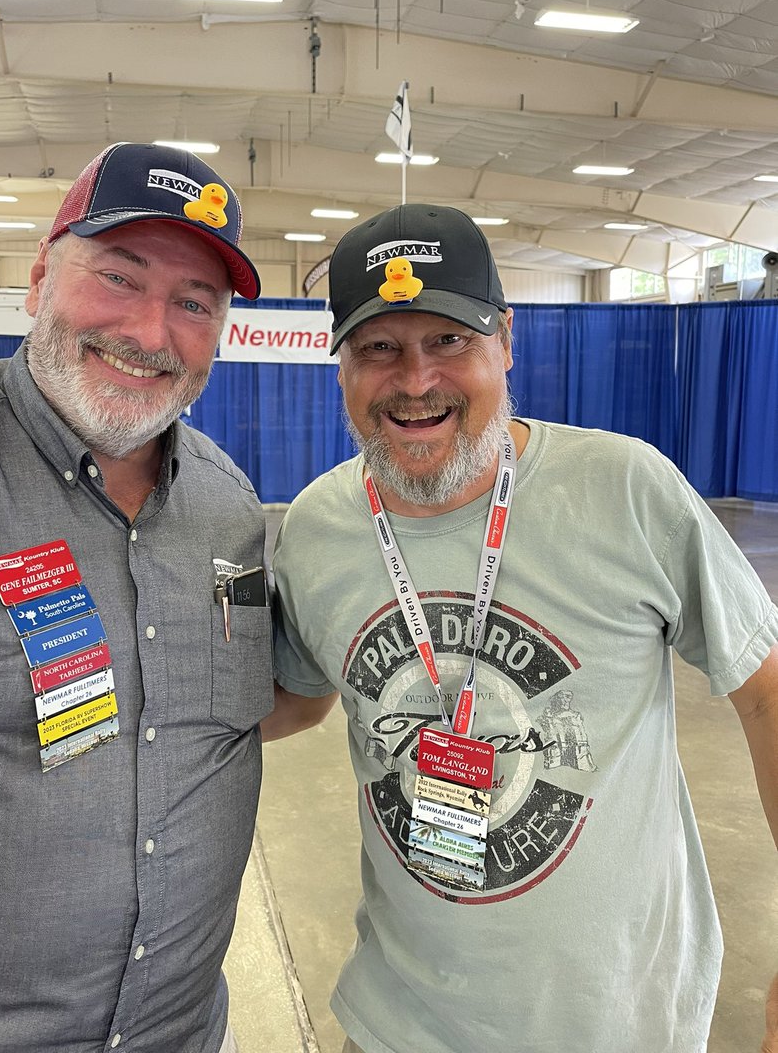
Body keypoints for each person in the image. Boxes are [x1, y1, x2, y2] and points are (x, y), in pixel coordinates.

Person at [267, 203, 778, 1053]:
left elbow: (767, 694)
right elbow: (298, 698)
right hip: (397, 1025)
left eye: (449, 340)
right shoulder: (317, 528)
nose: (416, 380)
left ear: (505, 340)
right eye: (379, 347)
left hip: (621, 1025)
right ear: (342, 364)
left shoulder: (625, 490)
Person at [0, 143, 275, 1053]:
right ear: (39, 280)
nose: (150, 332)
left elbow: (239, 712)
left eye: (194, 303)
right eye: (118, 278)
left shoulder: (229, 507)